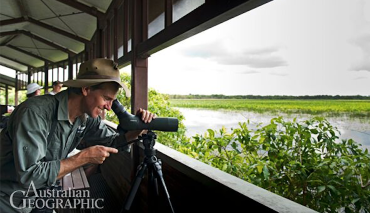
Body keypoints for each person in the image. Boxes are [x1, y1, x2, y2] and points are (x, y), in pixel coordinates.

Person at [0, 58, 155, 213]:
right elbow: (30, 175)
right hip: (8, 199)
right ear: (86, 89)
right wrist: (83, 158)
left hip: (39, 197)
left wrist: (137, 130)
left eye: (112, 102)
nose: (108, 107)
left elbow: (114, 141)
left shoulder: (84, 119)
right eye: (107, 99)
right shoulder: (35, 113)